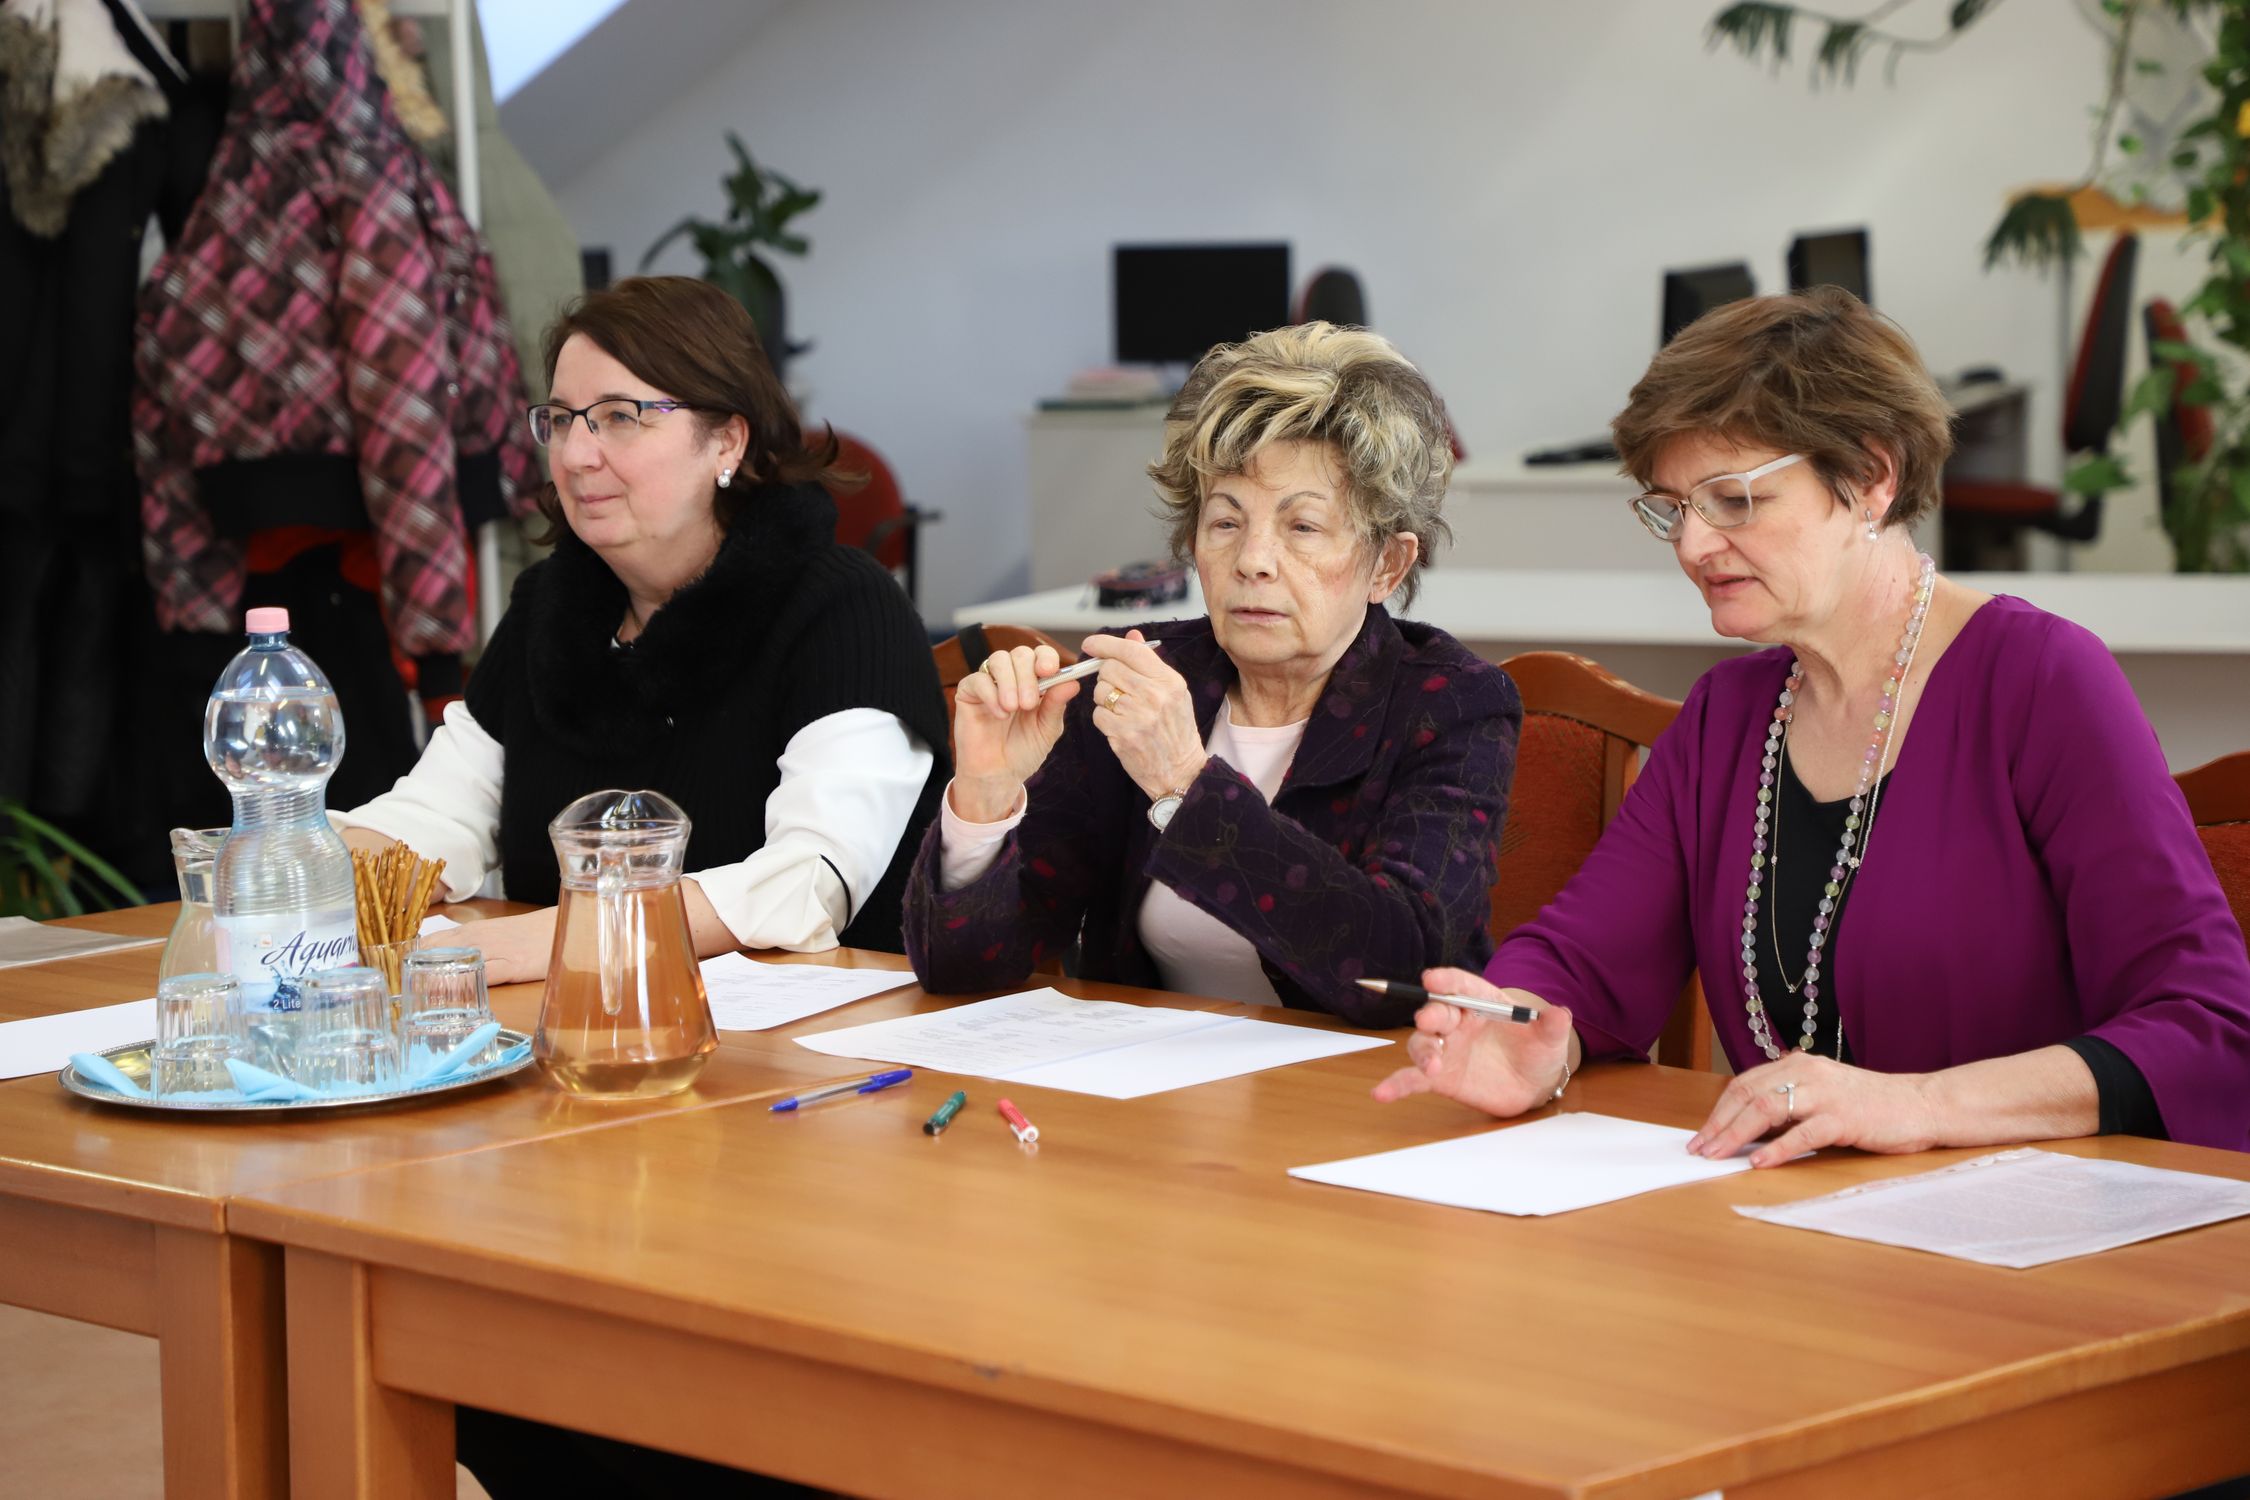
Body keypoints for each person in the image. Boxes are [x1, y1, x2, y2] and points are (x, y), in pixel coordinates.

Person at [1375, 288, 2250, 1156]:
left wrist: (1920, 1105)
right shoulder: (1726, 720)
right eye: (1673, 507)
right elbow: (1584, 957)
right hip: (1799, 1209)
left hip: (2033, 1212)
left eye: (1733, 499)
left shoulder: (2042, 682)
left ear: (1871, 477)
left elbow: (2208, 1023)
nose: (1692, 546)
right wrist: (1530, 1034)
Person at [334, 276, 949, 980]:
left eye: (620, 417)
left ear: (727, 441)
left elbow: (808, 878)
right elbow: (431, 820)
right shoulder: (550, 608)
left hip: (808, 1037)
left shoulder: (840, 607)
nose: (575, 454)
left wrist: (561, 939)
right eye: (561, 419)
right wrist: (297, 877)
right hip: (571, 1022)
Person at [904, 322, 1520, 1023]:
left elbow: (1403, 972)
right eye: (1226, 523)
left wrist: (1183, 784)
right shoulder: (1138, 684)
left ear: (1388, 564)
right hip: (1145, 1080)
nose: (1253, 560)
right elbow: (961, 971)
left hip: (1368, 1082)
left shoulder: (1451, 704)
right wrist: (984, 797)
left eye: (1303, 527)